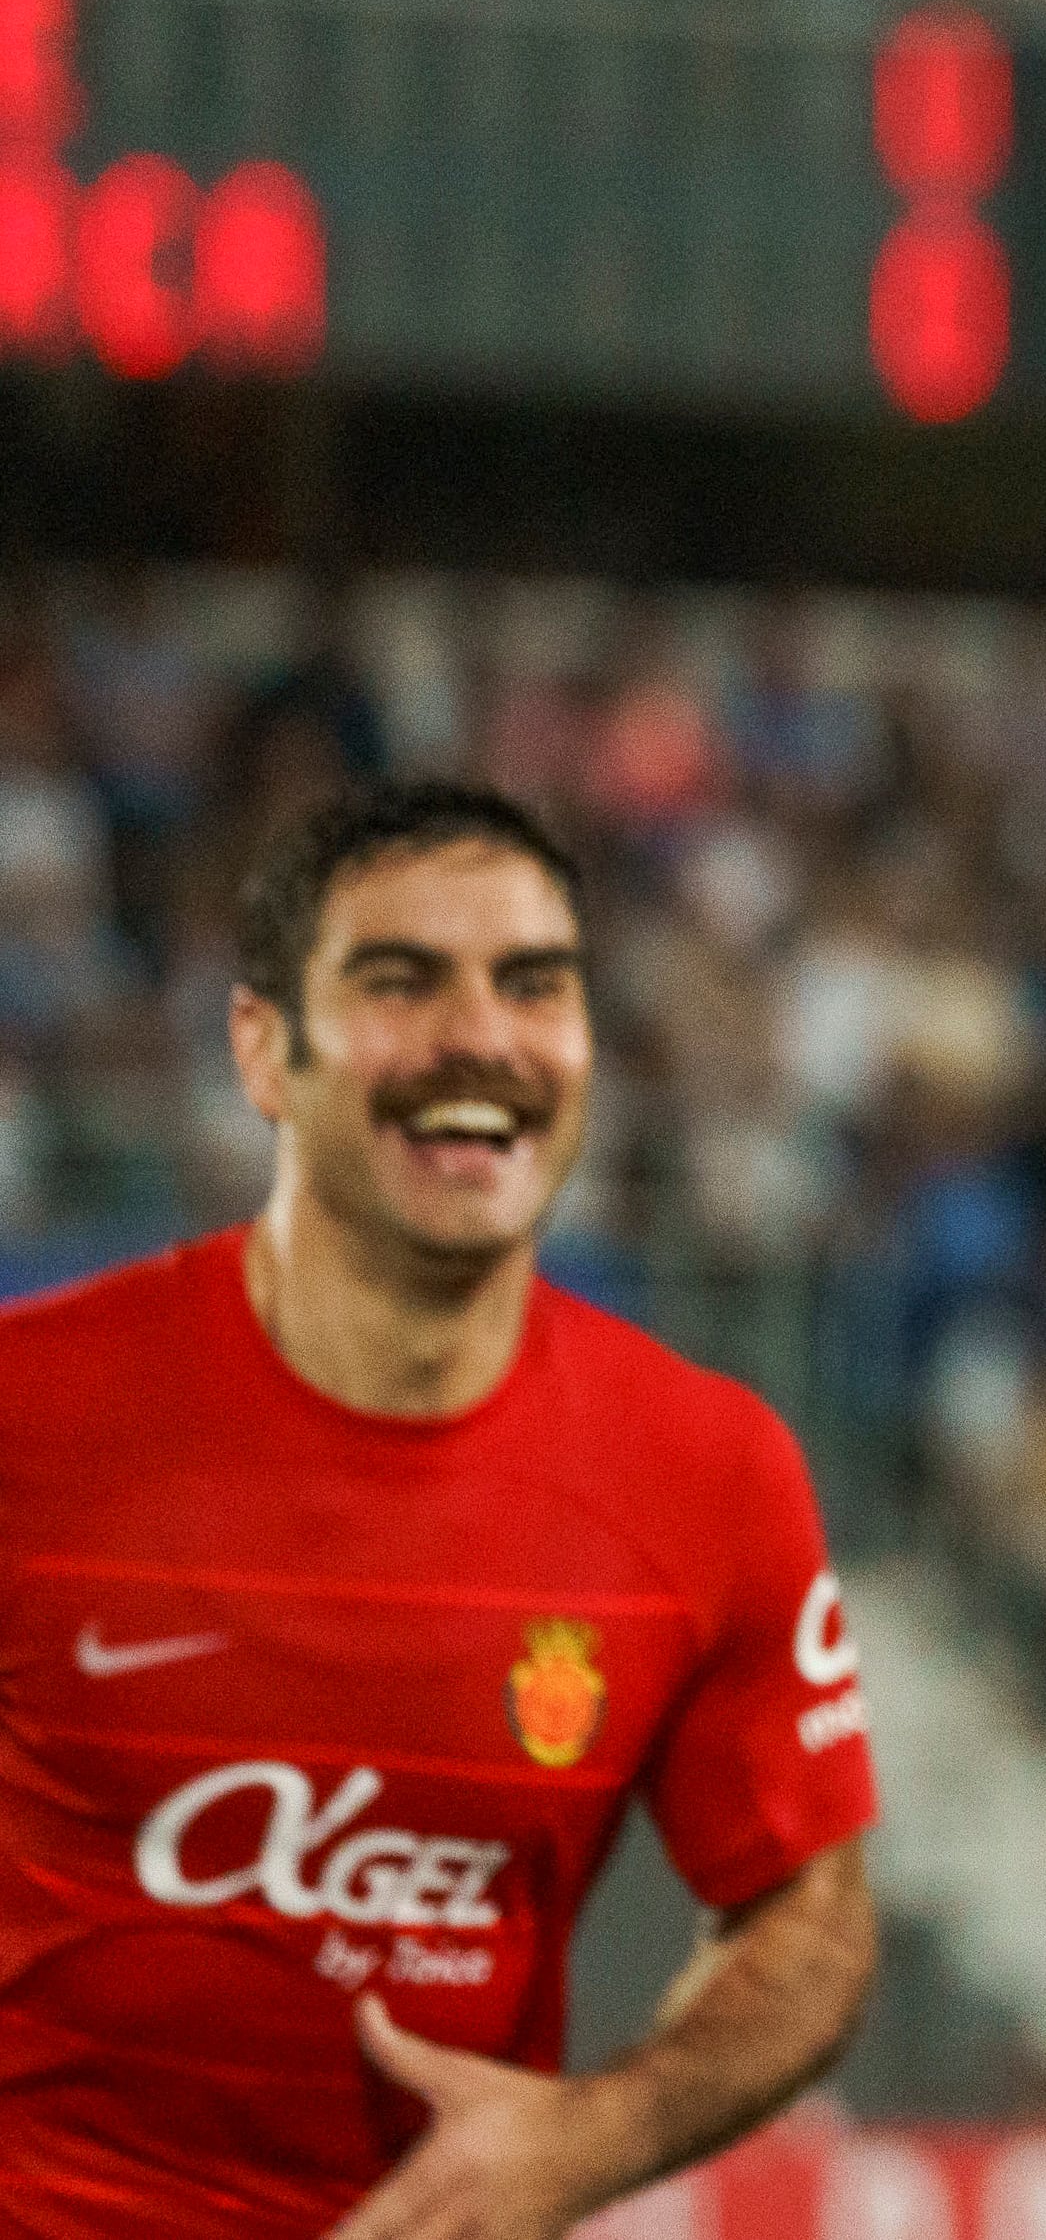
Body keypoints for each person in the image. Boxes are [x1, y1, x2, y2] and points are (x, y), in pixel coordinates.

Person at [0, 781, 880, 2237]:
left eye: (533, 985)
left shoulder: (709, 1473)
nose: (480, 1037)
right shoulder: (33, 1413)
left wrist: (597, 2135)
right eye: (400, 981)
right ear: (265, 1053)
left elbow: (812, 1915)